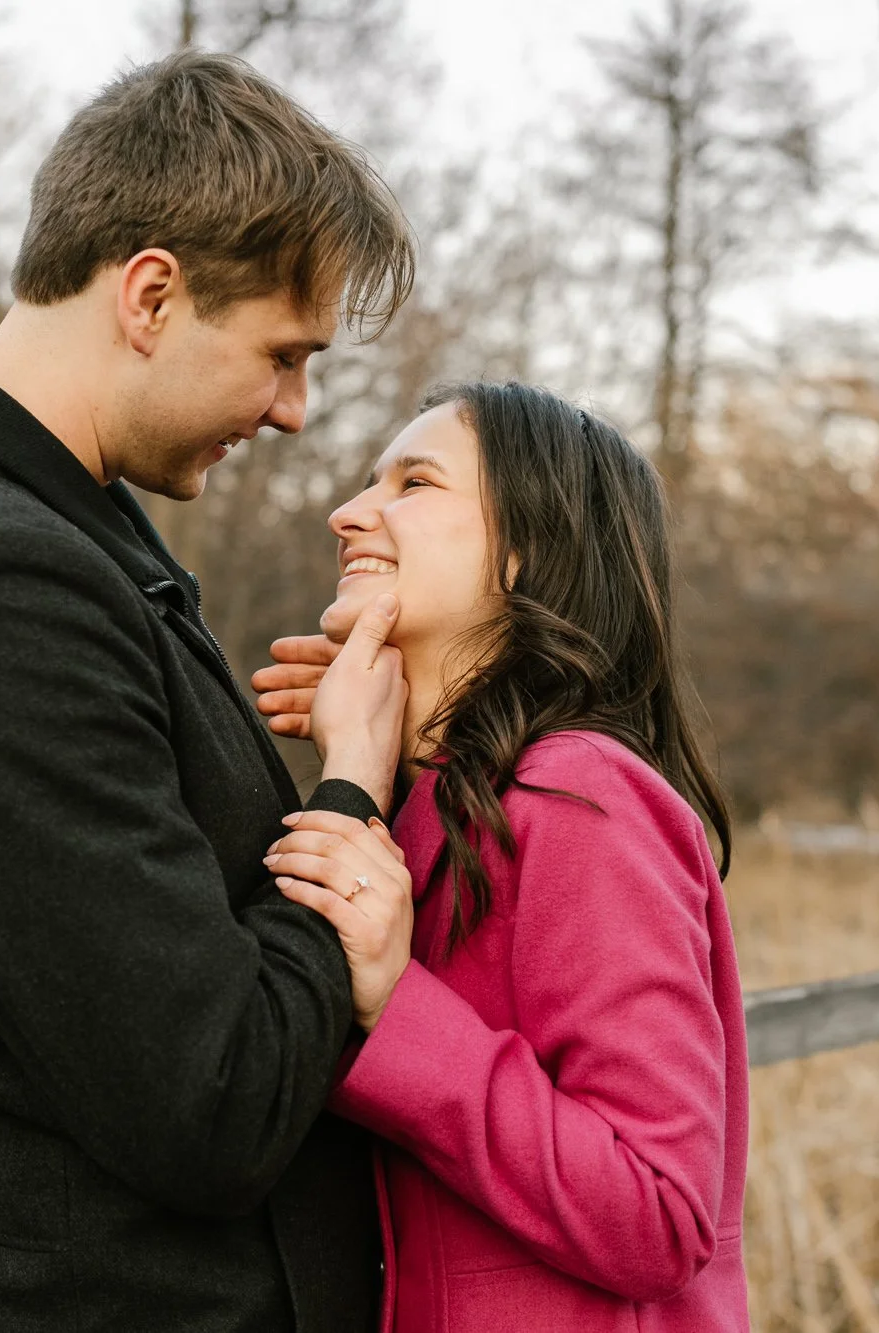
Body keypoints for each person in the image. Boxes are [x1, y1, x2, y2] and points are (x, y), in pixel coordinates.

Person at [0, 50, 416, 1332]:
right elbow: (212, 1101)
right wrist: (350, 790)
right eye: (283, 355)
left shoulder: (63, 537)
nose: (293, 410)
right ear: (152, 295)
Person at [252, 381, 749, 1332]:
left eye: (414, 481)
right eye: (367, 481)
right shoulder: (437, 802)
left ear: (525, 548)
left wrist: (398, 1008)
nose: (348, 512)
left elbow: (659, 1209)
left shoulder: (580, 796)